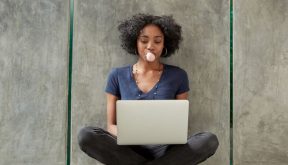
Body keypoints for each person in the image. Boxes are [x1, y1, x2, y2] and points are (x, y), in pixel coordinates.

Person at [78, 13, 219, 165]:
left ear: (165, 44)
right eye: (144, 40)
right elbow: (111, 125)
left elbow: (180, 125)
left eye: (157, 41)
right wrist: (127, 135)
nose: (150, 46)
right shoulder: (117, 75)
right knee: (86, 135)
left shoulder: (178, 75)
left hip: (166, 150)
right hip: (128, 149)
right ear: (135, 42)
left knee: (209, 140)